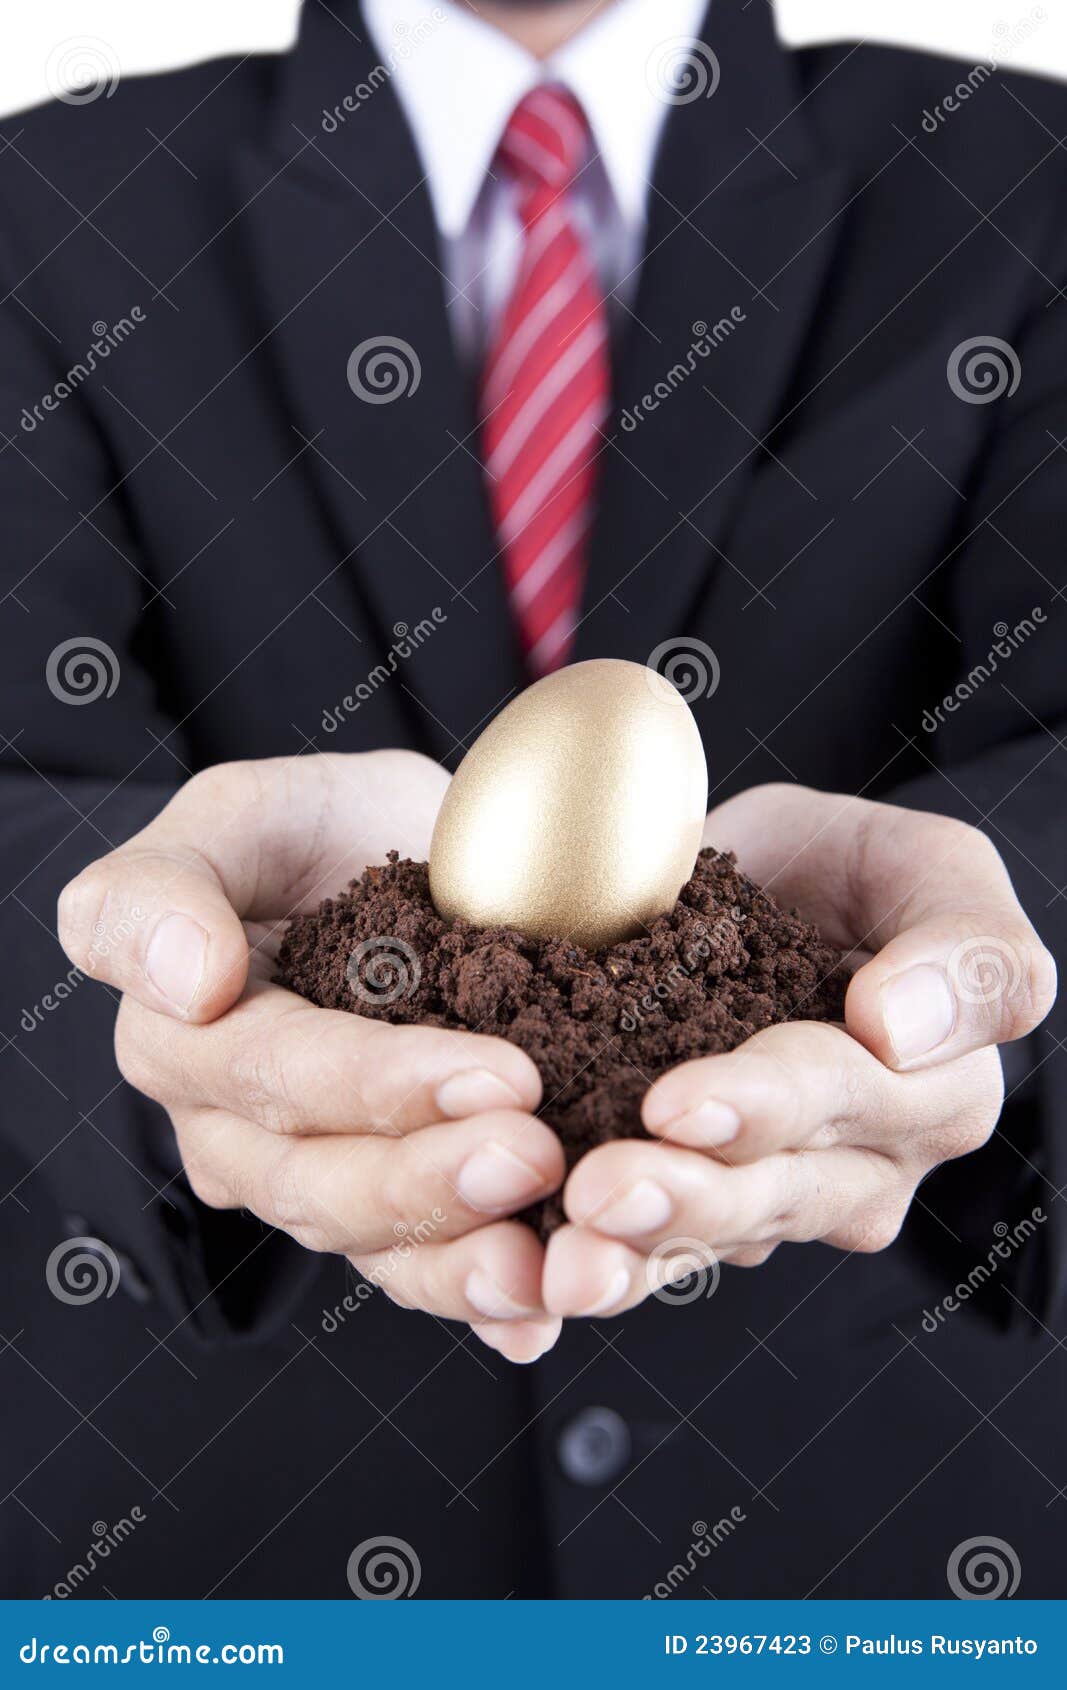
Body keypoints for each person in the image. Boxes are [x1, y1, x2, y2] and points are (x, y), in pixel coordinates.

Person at [0, 0, 1062, 1600]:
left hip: (882, 1543)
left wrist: (983, 967)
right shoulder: (52, 206)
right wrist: (172, 1000)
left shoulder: (1020, 183)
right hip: (228, 1545)